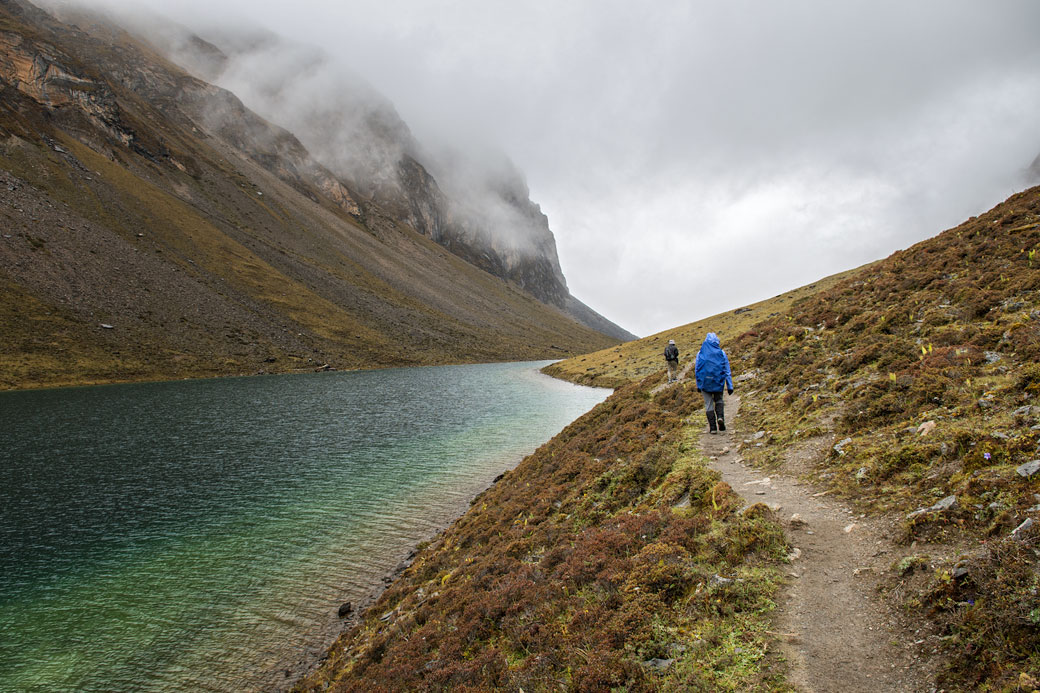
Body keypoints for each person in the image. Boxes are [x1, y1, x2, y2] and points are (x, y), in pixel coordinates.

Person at [694, 332, 734, 434]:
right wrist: (730, 386)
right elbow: (727, 370)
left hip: (705, 383)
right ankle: (720, 418)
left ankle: (712, 428)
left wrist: (698, 385)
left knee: (708, 404)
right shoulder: (721, 353)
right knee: (719, 400)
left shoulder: (700, 353)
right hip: (718, 381)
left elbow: (697, 370)